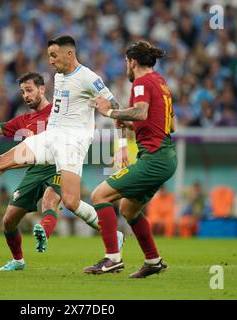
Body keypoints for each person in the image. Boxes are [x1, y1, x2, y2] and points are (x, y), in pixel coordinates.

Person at [0, 70, 123, 270]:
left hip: (59, 166)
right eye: (22, 92)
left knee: (51, 200)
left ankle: (44, 232)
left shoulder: (59, 110)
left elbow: (85, 118)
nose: (26, 95)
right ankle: (18, 261)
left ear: (42, 89)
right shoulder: (23, 120)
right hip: (35, 170)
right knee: (9, 221)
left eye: (29, 90)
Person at [84, 40, 177, 278]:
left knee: (99, 195)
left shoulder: (142, 82)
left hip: (154, 158)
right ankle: (153, 261)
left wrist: (110, 112)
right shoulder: (161, 83)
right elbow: (170, 125)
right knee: (128, 208)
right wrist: (129, 122)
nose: (126, 66)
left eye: (126, 62)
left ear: (132, 62)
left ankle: (112, 258)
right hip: (165, 156)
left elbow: (142, 112)